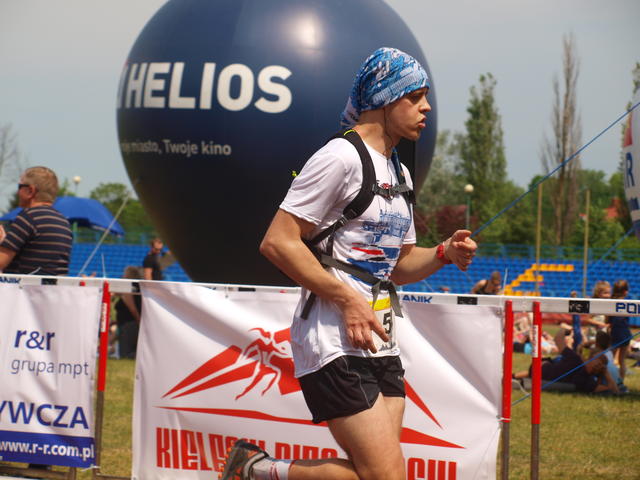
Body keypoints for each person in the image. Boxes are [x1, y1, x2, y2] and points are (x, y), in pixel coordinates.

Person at [220, 47, 477, 480]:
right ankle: (255, 470)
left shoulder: (400, 171)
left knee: (372, 474)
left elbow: (399, 266)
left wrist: (443, 253)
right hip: (331, 337)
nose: (427, 108)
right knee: (386, 476)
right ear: (383, 99)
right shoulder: (339, 157)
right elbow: (278, 242)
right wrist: (346, 300)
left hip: (380, 338)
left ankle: (255, 470)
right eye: (415, 97)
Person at [0, 166, 72, 275]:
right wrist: (6, 242)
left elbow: (1, 261)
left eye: (20, 186)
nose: (17, 192)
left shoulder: (28, 217)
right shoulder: (64, 222)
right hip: (53, 285)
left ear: (30, 191)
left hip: (26, 285)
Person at [513, 329, 618, 394]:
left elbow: (558, 339)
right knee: (556, 361)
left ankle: (513, 376)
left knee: (555, 359)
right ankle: (513, 376)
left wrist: (565, 330)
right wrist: (605, 374)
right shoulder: (588, 381)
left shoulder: (577, 363)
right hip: (543, 372)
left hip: (539, 369)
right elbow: (614, 390)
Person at [113, 266, 143, 358]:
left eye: (124, 274)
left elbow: (132, 308)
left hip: (129, 323)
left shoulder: (128, 288)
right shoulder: (136, 287)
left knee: (126, 353)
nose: (122, 276)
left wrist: (139, 321)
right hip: (130, 323)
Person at [607, 279, 632, 380]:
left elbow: (608, 319)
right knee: (622, 360)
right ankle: (620, 380)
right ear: (625, 292)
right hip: (625, 333)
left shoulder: (611, 302)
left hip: (615, 333)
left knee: (610, 359)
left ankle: (610, 379)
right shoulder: (628, 303)